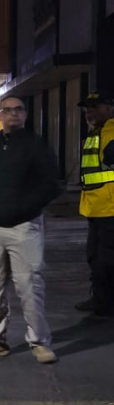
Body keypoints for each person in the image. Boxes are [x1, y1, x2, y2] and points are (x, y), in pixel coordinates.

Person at [0, 96, 61, 364]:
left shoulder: (36, 145)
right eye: (7, 110)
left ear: (25, 115)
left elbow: (50, 183)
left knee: (30, 285)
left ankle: (39, 342)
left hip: (23, 227)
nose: (13, 114)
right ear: (0, 116)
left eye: (18, 110)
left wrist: (24, 209)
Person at [75, 90, 114, 315]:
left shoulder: (110, 131)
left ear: (108, 108)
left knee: (104, 258)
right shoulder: (96, 132)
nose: (89, 112)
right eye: (87, 108)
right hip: (96, 207)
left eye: (95, 107)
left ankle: (104, 301)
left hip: (109, 207)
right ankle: (102, 298)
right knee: (97, 256)